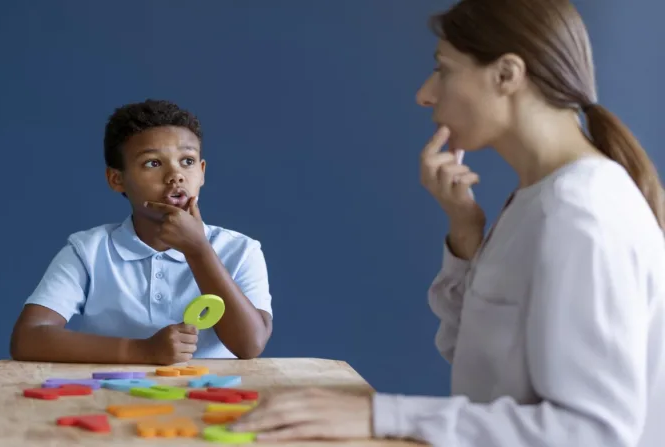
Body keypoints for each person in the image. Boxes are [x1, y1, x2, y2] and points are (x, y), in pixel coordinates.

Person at [229, 0, 665, 445]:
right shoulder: (537, 200)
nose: (426, 93)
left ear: (507, 75)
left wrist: (382, 415)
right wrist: (465, 234)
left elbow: (595, 433)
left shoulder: (580, 213)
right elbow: (478, 367)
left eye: (444, 69)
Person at [9, 99, 273, 365]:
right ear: (117, 179)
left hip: (211, 400)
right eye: (152, 164)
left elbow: (249, 345)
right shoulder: (88, 251)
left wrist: (198, 250)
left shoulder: (241, 250)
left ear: (202, 172)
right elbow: (27, 338)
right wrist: (142, 351)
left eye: (187, 161)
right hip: (109, 399)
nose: (175, 175)